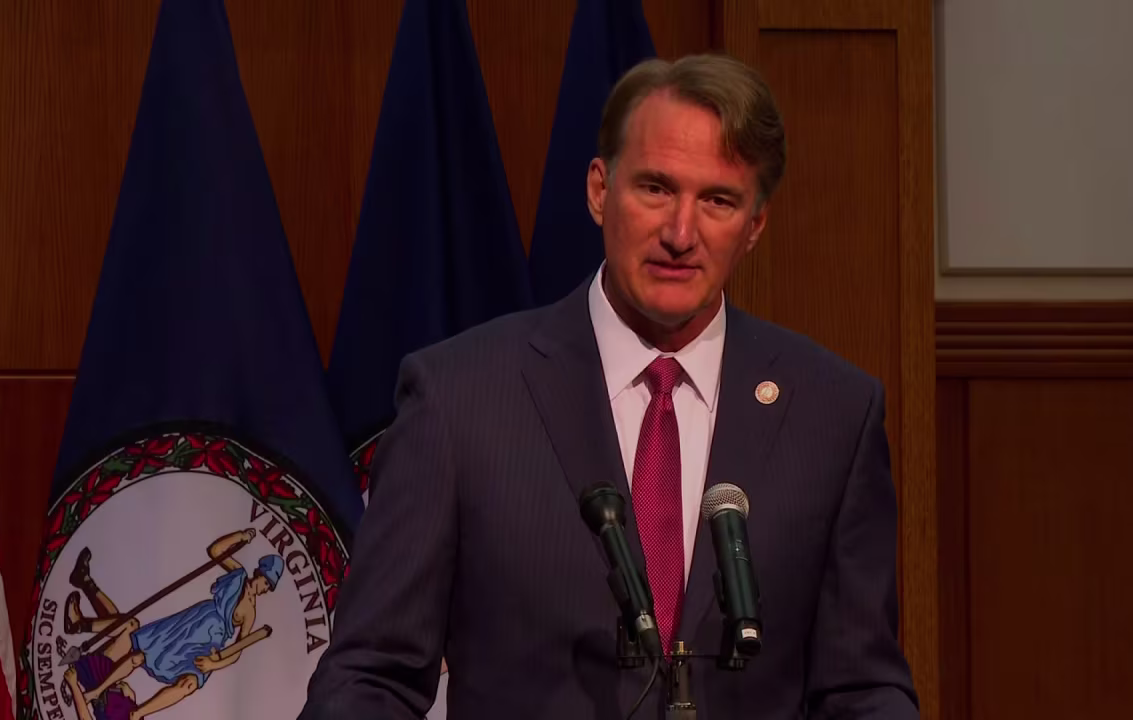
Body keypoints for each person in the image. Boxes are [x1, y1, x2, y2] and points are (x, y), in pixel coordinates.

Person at [300, 54, 918, 719]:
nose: (681, 234)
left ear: (755, 227)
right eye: (655, 188)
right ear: (600, 189)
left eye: (717, 201)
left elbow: (861, 687)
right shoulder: (460, 400)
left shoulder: (832, 414)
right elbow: (371, 677)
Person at [63, 531, 282, 718]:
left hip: (206, 646)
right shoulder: (238, 576)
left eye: (269, 586)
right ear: (259, 573)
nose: (265, 589)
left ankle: (137, 713)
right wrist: (240, 536)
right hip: (190, 625)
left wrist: (213, 665)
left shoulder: (250, 613)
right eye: (266, 582)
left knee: (188, 684)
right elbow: (215, 550)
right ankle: (93, 681)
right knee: (137, 647)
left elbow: (236, 651)